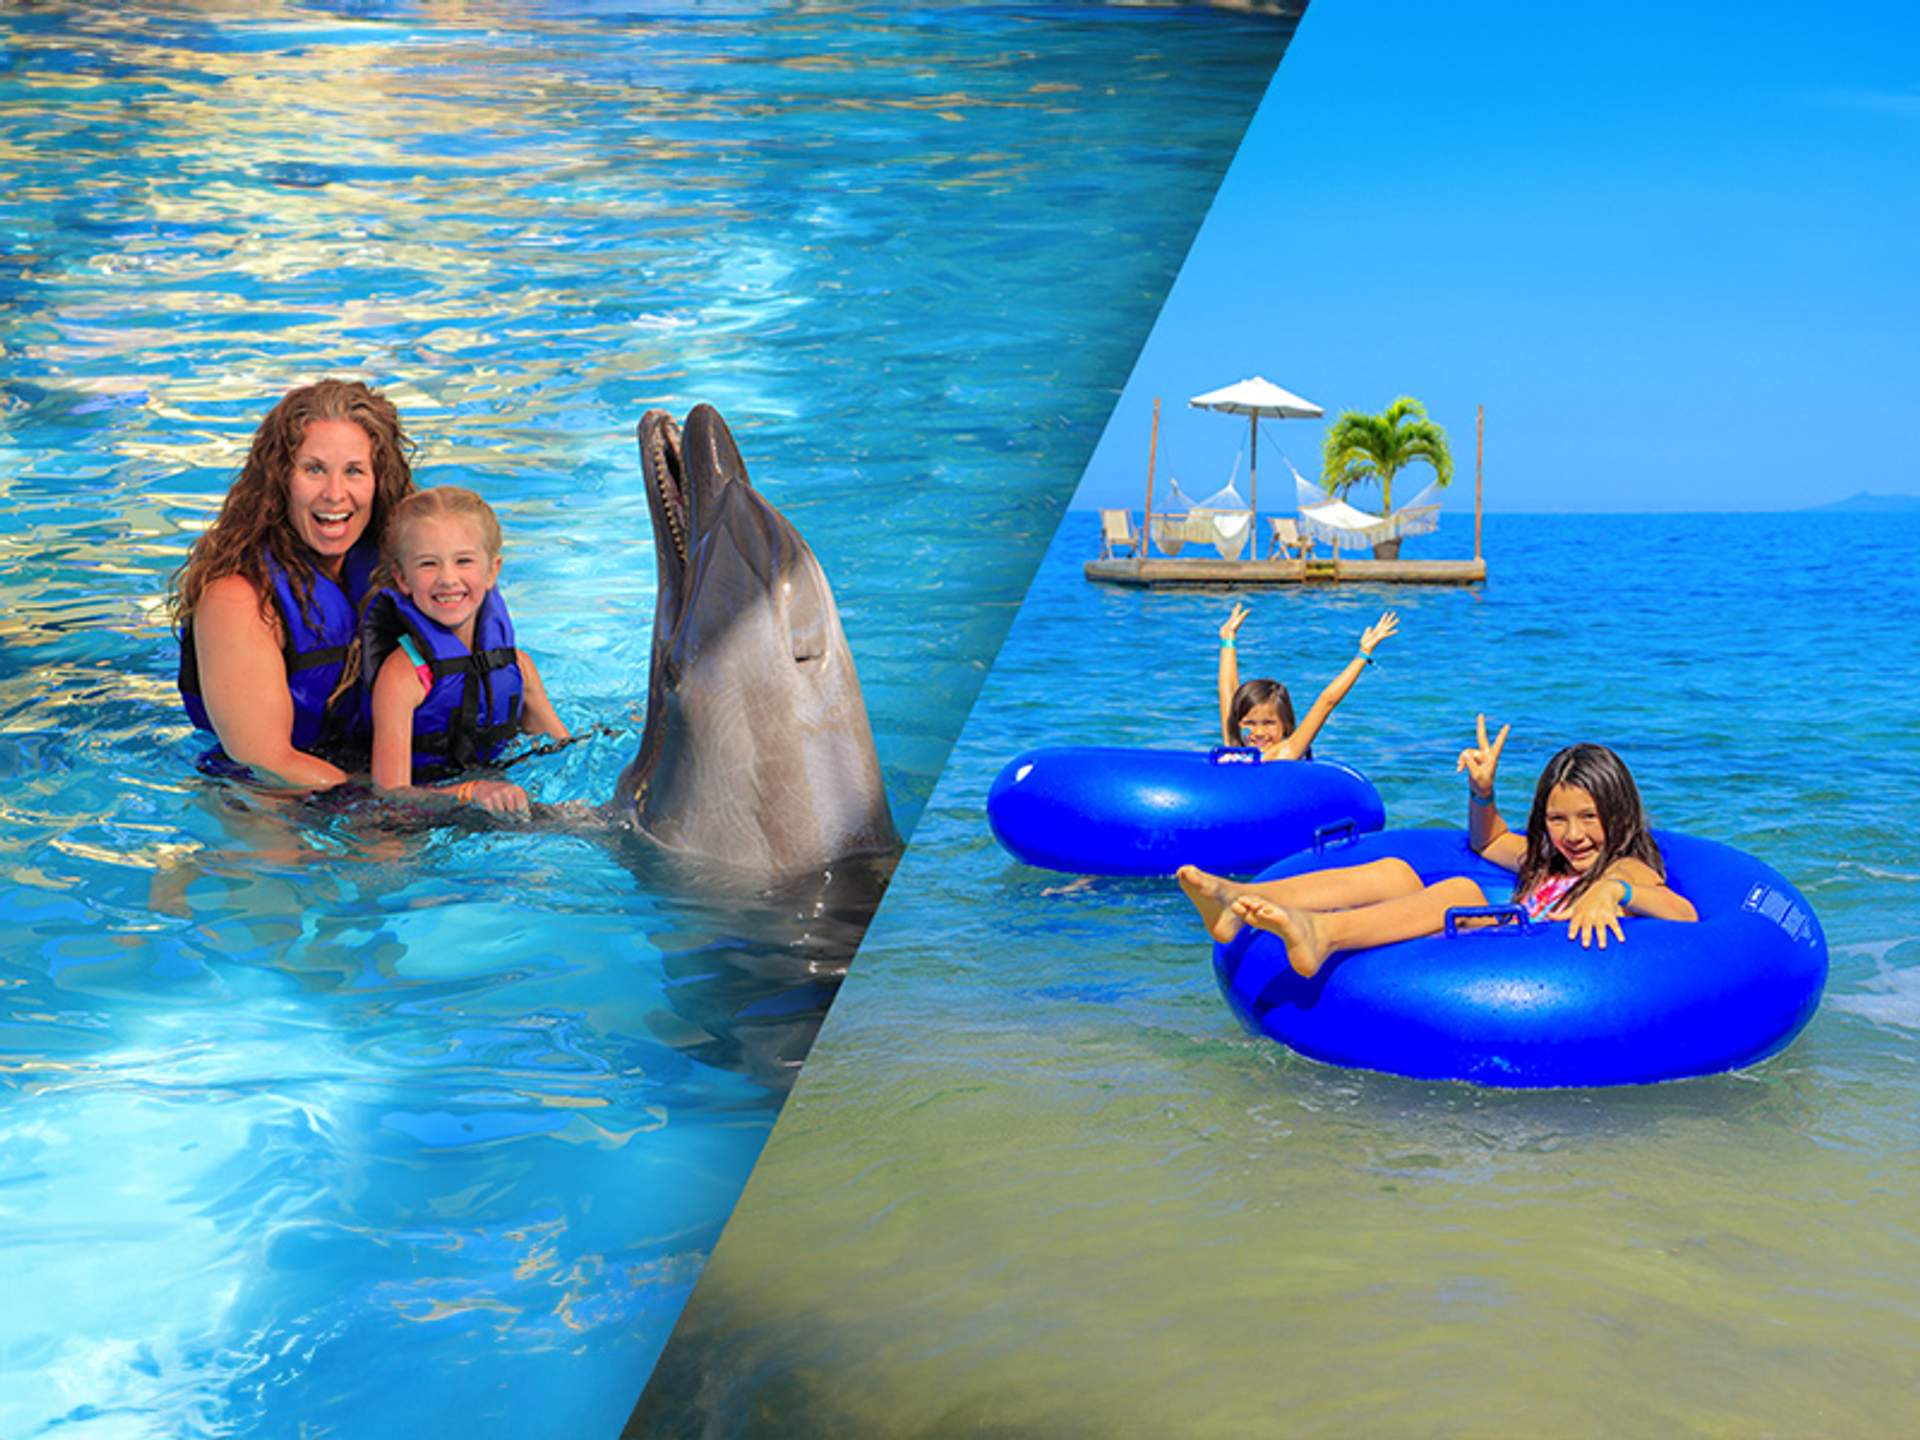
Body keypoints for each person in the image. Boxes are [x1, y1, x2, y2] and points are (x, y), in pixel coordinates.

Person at [1178, 716, 1698, 977]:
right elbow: (1490, 838)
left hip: (1515, 968)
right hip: (1485, 947)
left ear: (1620, 813)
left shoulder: (1622, 865)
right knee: (1394, 873)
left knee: (1463, 891)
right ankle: (1239, 900)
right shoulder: (1548, 863)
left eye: (1590, 818)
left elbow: (1680, 911)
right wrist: (1482, 791)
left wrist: (1614, 895)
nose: (1574, 834)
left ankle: (1324, 934)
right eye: (1557, 818)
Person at [173, 379, 416, 786]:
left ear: (379, 481)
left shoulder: (403, 573)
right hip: (268, 802)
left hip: (377, 786)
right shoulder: (239, 599)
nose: (335, 494)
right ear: (281, 479)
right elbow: (269, 761)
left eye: (354, 471)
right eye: (314, 469)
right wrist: (413, 804)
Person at [356, 486, 568, 815]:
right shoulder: (402, 677)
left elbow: (564, 754)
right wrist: (470, 792)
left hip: (494, 802)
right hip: (416, 820)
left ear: (492, 571)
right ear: (402, 578)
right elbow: (391, 793)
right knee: (390, 856)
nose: (448, 579)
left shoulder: (518, 667)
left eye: (464, 561)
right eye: (428, 564)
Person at [1217, 602, 1399, 760]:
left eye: (1268, 723)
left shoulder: (1286, 753)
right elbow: (1228, 691)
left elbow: (1327, 701)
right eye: (1250, 723)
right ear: (1239, 723)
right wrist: (1228, 640)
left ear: (1285, 725)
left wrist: (1363, 654)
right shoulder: (1236, 749)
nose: (1258, 733)